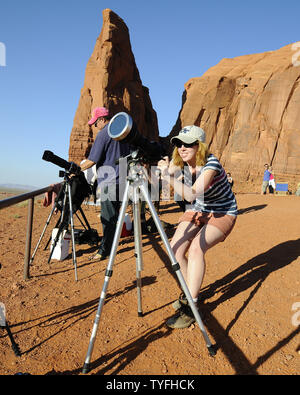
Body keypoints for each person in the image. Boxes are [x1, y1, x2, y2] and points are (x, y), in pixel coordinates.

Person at [157, 125, 238, 329]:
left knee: (195, 249)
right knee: (174, 250)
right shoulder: (180, 163)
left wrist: (168, 177)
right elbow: (161, 181)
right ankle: (188, 289)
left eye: (188, 144)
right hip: (198, 210)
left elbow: (192, 193)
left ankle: (191, 305)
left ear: (199, 146)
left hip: (222, 212)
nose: (182, 148)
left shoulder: (211, 164)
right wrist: (155, 172)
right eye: (178, 143)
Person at [80, 107, 131, 260]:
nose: (95, 127)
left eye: (95, 124)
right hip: (123, 181)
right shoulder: (123, 132)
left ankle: (104, 251)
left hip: (109, 181)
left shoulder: (104, 134)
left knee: (108, 218)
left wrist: (77, 168)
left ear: (102, 120)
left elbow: (92, 160)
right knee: (114, 216)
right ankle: (111, 244)